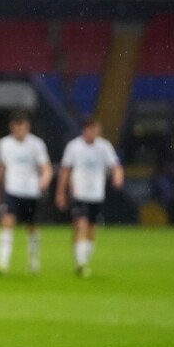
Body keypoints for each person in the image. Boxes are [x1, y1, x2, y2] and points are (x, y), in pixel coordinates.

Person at [55, 117, 124, 277]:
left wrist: (118, 176)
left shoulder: (104, 146)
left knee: (92, 229)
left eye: (96, 128)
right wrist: (61, 193)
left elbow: (115, 165)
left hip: (96, 194)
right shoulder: (74, 146)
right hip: (79, 192)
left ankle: (83, 259)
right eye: (91, 129)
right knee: (80, 224)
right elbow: (65, 171)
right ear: (85, 130)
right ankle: (81, 263)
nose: (94, 132)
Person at [0, 111, 52, 275]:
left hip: (31, 192)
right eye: (16, 126)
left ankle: (33, 260)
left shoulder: (37, 144)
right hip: (12, 191)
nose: (19, 130)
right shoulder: (5, 143)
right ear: (12, 127)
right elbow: (1, 167)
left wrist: (44, 179)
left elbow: (46, 168)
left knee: (32, 227)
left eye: (22, 126)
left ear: (27, 126)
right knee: (6, 223)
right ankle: (2, 263)